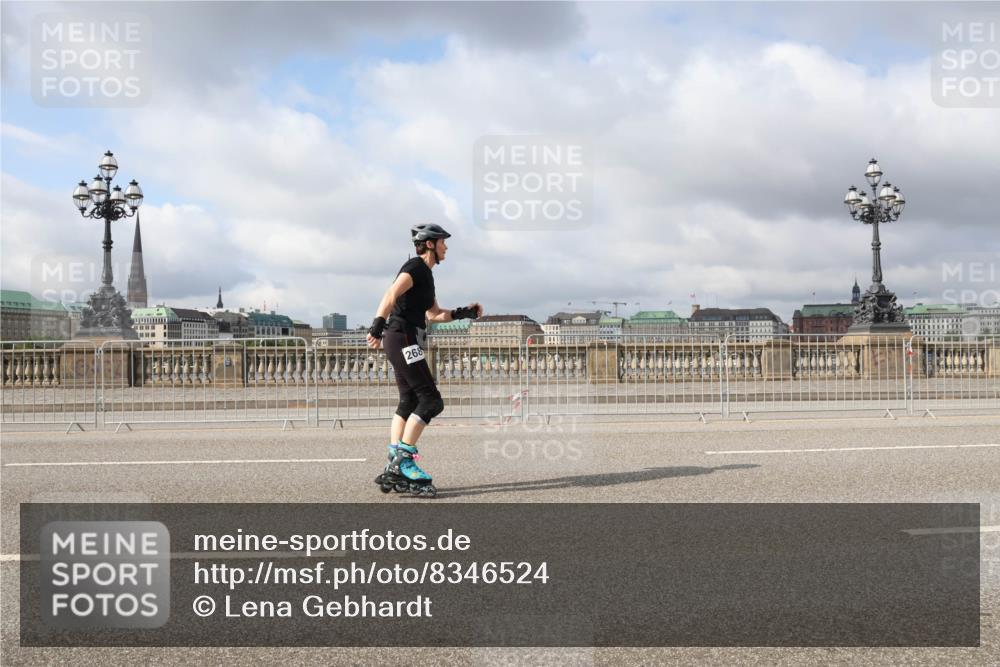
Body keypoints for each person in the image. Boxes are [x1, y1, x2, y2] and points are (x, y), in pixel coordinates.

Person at [366, 223, 483, 498]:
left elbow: (434, 314)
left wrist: (463, 313)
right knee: (431, 401)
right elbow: (391, 294)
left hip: (406, 339)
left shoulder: (426, 275)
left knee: (408, 401)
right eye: (443, 242)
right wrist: (376, 326)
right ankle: (404, 462)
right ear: (430, 244)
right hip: (402, 337)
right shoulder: (415, 268)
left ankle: (394, 460)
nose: (446, 247)